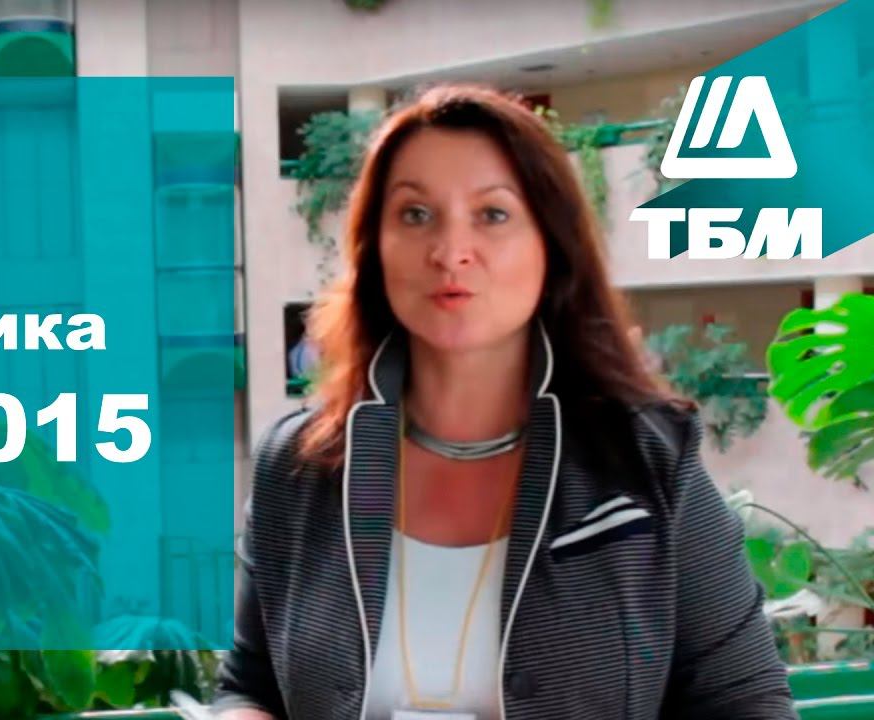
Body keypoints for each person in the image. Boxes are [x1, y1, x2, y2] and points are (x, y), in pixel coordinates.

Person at [212, 84, 795, 720]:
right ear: (373, 247)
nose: (450, 252)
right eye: (415, 214)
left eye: (492, 214)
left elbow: (747, 702)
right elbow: (249, 682)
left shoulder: (648, 463)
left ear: (551, 244)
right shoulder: (296, 468)